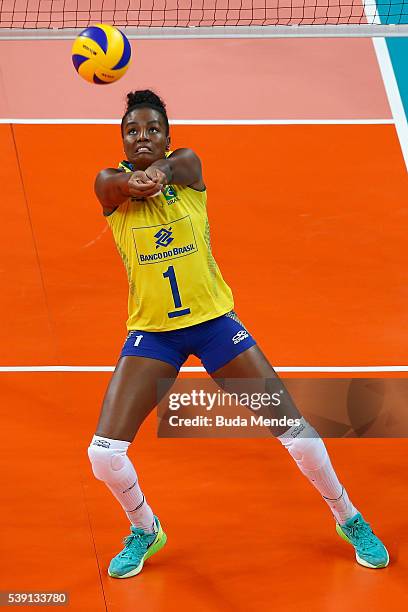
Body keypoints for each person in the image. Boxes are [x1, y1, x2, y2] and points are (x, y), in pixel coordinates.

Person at [88, 89, 389, 579]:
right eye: (132, 131)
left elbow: (175, 168)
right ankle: (145, 528)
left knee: (302, 440)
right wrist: (133, 182)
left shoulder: (185, 168)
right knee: (103, 455)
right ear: (121, 140)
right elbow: (114, 187)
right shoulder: (107, 184)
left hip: (213, 327)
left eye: (152, 130)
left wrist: (156, 173)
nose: (142, 137)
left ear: (167, 136)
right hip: (154, 335)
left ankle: (349, 519)